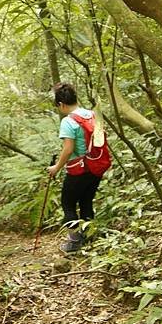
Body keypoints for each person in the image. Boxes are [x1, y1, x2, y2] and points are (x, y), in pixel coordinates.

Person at [48, 82, 102, 253]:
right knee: (86, 201)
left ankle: (74, 243)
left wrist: (56, 167)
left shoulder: (68, 121)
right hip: (96, 166)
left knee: (68, 204)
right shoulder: (92, 114)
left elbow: (68, 148)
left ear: (61, 104)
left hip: (78, 169)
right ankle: (89, 237)